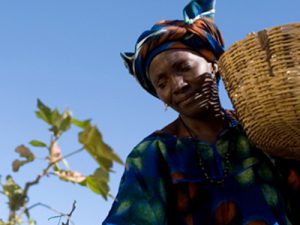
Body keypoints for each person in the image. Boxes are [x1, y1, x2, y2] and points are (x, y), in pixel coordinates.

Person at [103, 1, 300, 224]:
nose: (177, 85)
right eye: (161, 82)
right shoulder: (153, 155)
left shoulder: (260, 131)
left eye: (183, 67)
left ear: (213, 64)